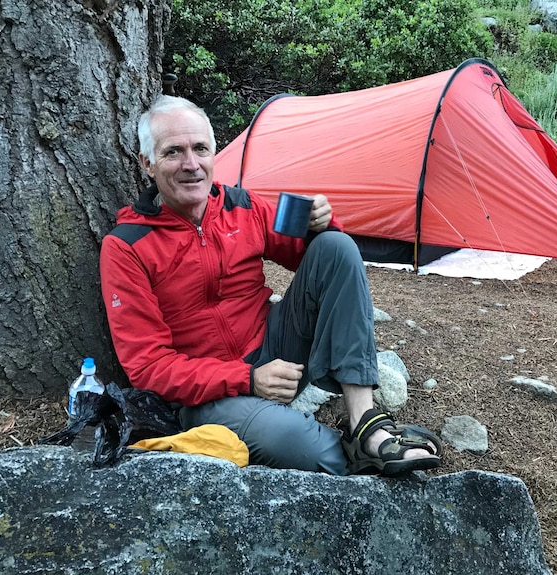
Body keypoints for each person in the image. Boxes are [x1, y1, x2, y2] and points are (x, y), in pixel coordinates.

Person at [99, 95, 441, 476]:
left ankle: (365, 423)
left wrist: (321, 225)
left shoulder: (242, 206)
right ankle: (362, 457)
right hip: (209, 394)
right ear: (147, 163)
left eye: (200, 149)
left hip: (276, 354)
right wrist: (246, 379)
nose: (191, 164)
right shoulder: (126, 246)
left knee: (336, 245)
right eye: (173, 152)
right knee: (300, 445)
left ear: (214, 153)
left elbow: (319, 260)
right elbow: (149, 366)